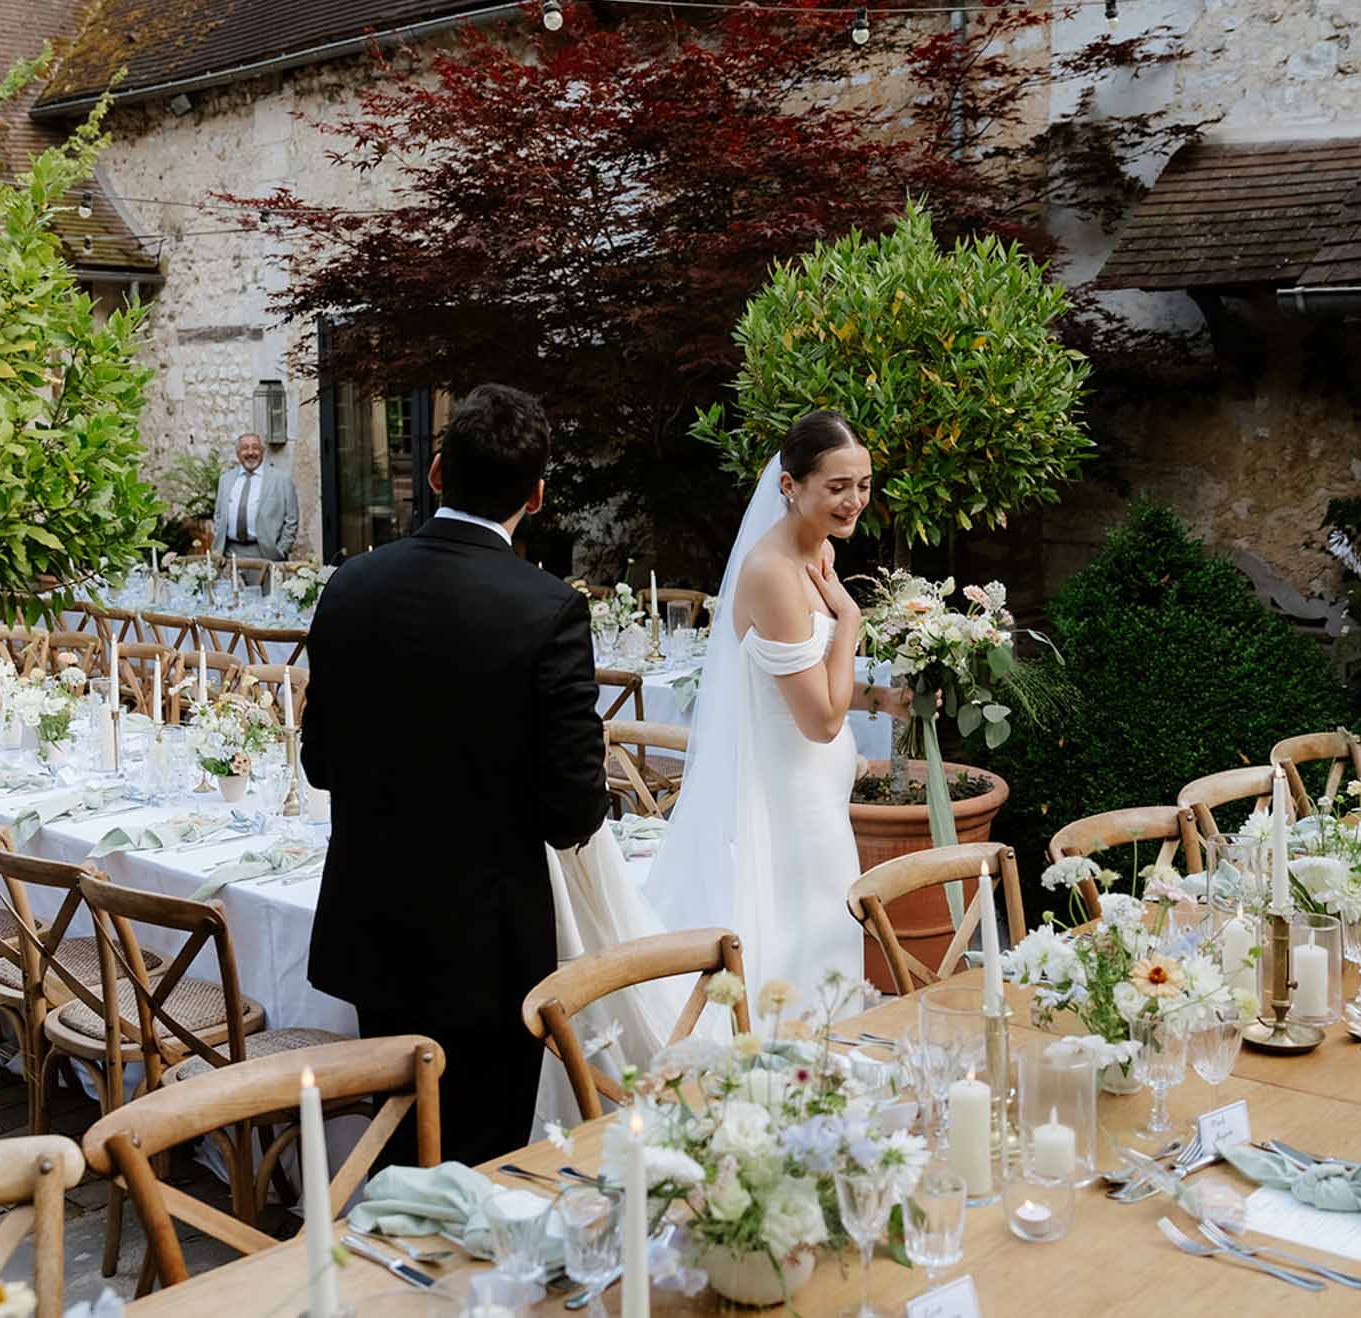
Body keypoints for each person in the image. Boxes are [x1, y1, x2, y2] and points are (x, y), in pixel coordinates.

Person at [303, 384, 607, 1166]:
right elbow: (572, 812)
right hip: (490, 946)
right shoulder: (549, 608)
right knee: (487, 1161)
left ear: (435, 473)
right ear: (536, 496)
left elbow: (320, 764)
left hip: (378, 926)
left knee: (404, 1149)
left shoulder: (351, 584)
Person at [637, 409, 900, 999]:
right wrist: (851, 618)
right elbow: (820, 719)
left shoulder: (821, 557)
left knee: (823, 945)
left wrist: (884, 698)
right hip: (789, 797)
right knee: (798, 956)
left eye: (863, 485)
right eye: (837, 487)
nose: (854, 501)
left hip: (819, 793)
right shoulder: (774, 574)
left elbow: (804, 683)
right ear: (790, 485)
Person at [211, 432, 299, 562]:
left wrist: (282, 549)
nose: (250, 452)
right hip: (230, 554)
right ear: (238, 453)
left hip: (267, 554)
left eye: (255, 447)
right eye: (245, 448)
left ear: (262, 451)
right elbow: (218, 515)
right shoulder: (225, 479)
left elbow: (291, 519)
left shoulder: (281, 480)